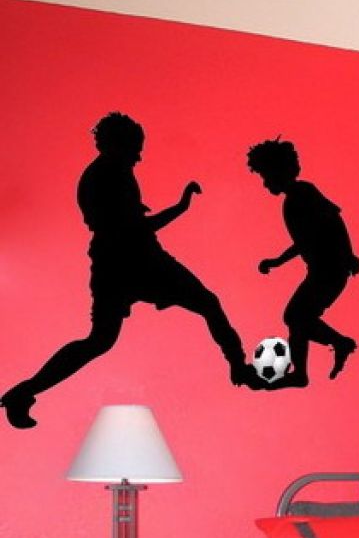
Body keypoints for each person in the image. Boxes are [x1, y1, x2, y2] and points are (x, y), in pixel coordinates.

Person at [1, 112, 260, 429]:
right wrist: (180, 208)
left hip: (117, 262)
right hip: (136, 262)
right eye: (135, 147)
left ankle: (23, 392)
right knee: (206, 304)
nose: (139, 155)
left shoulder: (106, 174)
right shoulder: (108, 176)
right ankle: (239, 367)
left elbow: (131, 226)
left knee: (101, 340)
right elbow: (135, 229)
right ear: (118, 144)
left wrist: (172, 211)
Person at [246, 138, 359, 388]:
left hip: (330, 269)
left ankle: (313, 364)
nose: (265, 183)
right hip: (323, 269)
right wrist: (277, 261)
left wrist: (347, 253)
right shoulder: (295, 198)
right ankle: (329, 351)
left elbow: (332, 221)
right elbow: (306, 239)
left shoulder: (303, 193)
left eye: (266, 176)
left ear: (279, 171)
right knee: (298, 317)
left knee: (296, 316)